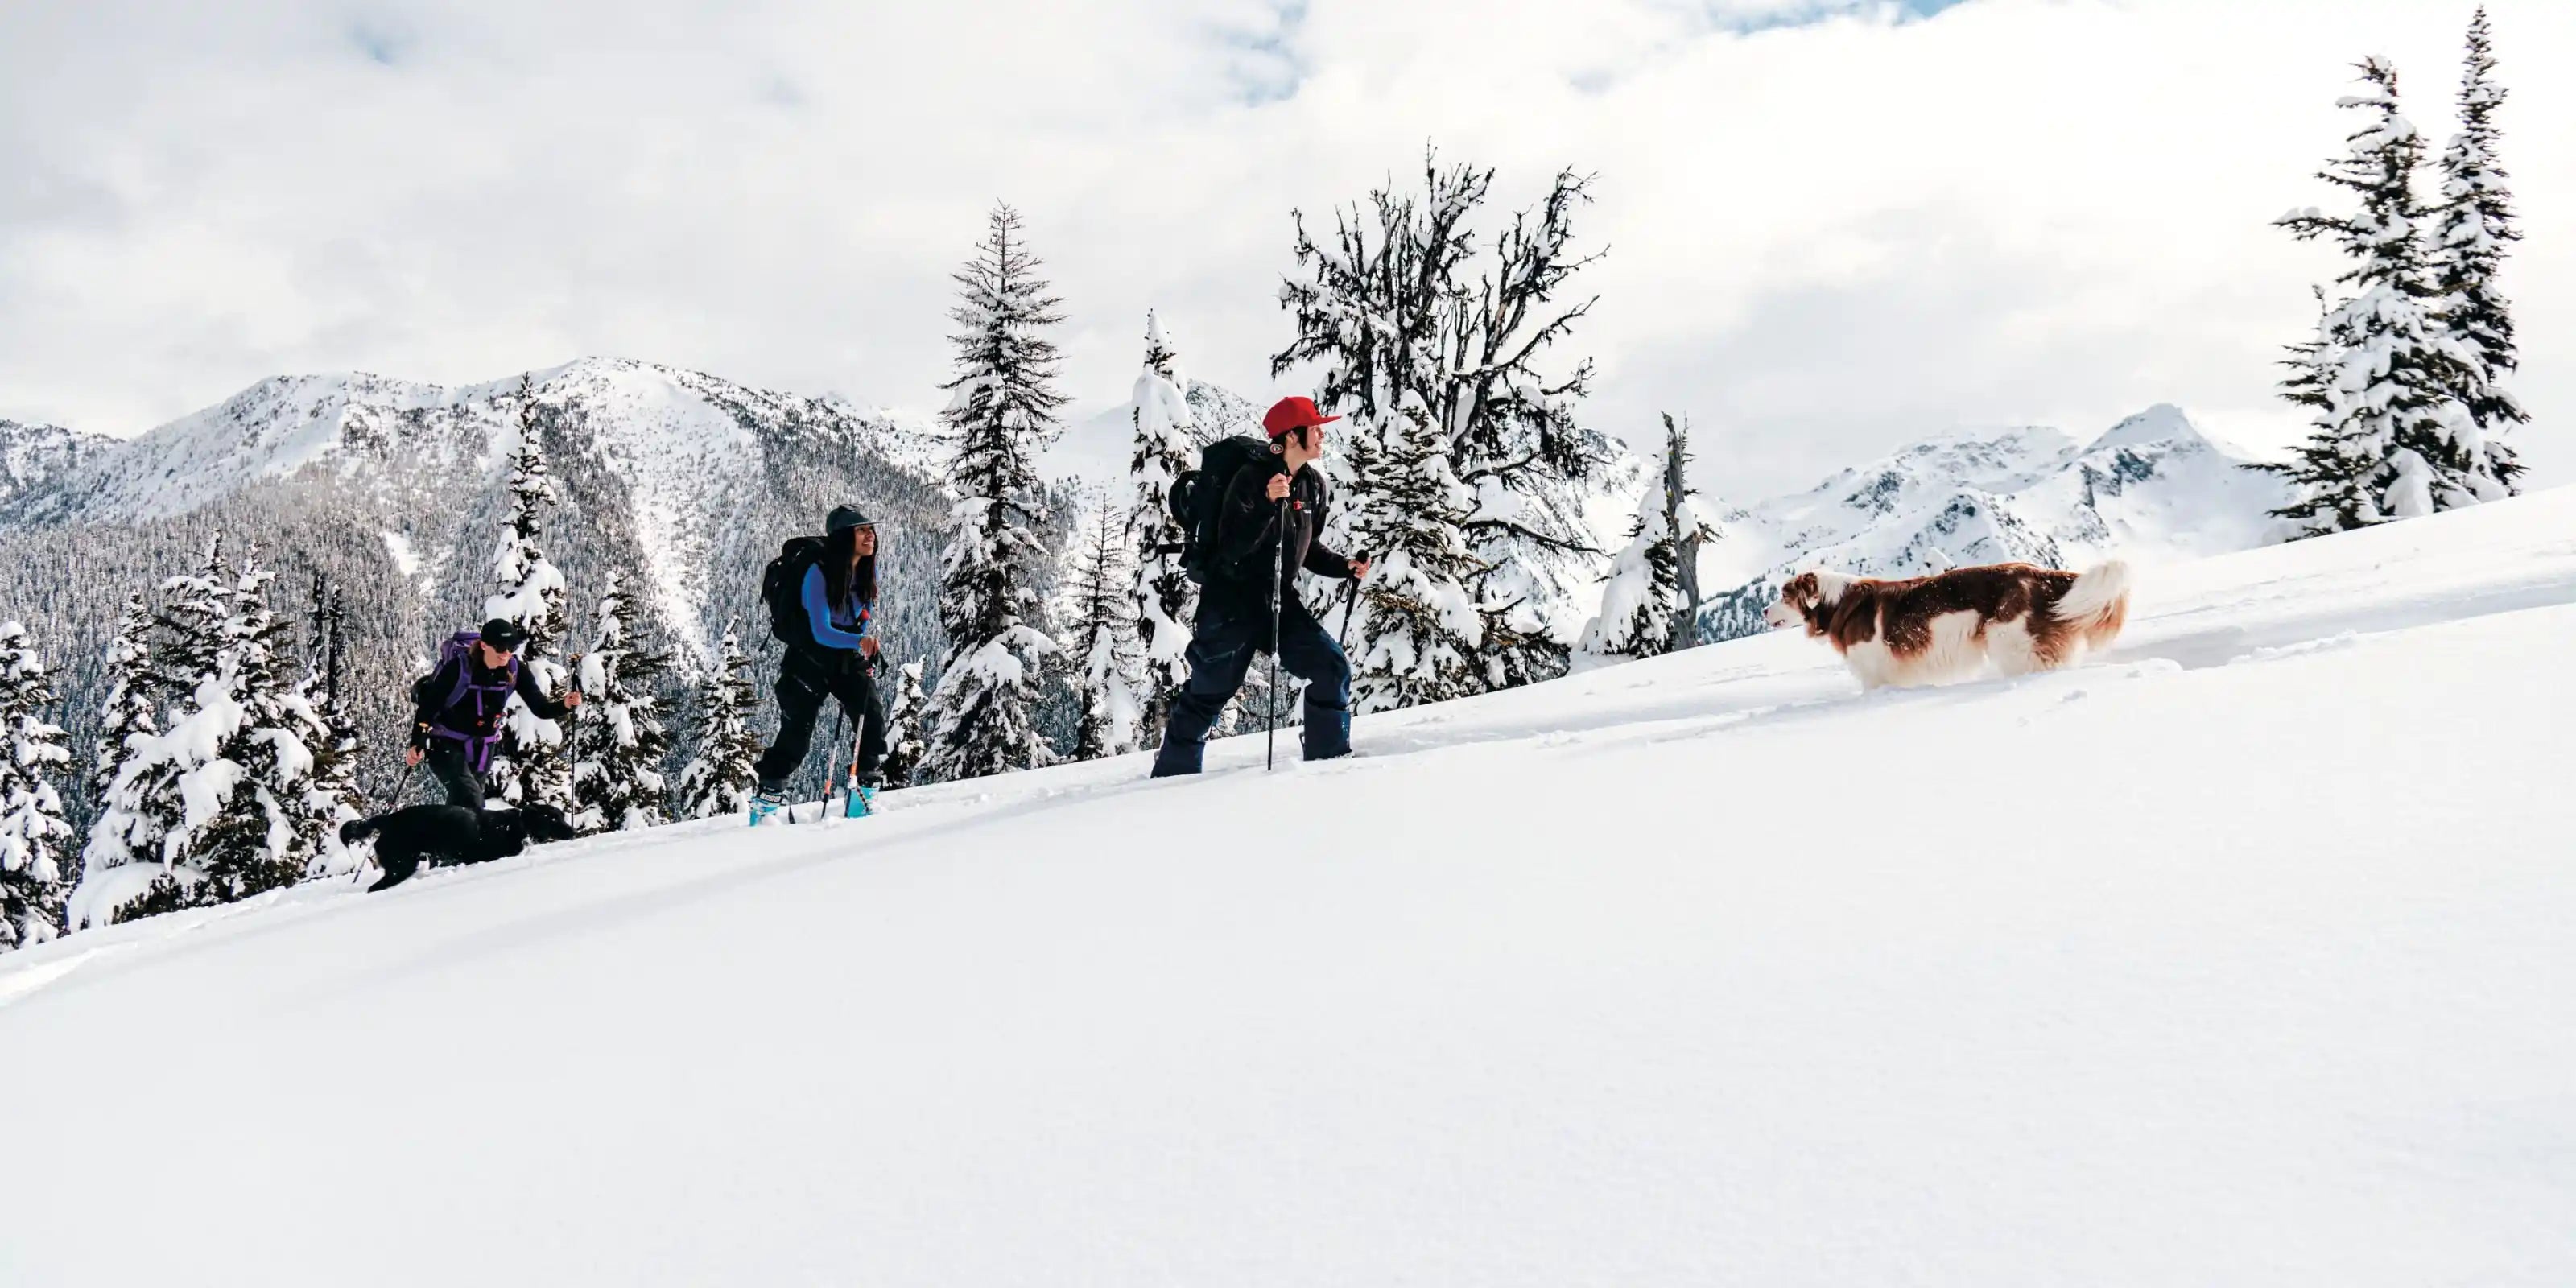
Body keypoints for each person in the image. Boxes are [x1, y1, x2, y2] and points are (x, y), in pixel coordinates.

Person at [1150, 397, 1371, 777]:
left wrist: (1343, 566)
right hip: (1230, 602)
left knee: (1331, 668)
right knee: (1209, 692)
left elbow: (1308, 547)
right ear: (1290, 436)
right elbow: (1230, 549)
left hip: (1278, 601)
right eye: (1315, 427)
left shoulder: (1312, 486)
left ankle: (1330, 768)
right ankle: (1172, 776)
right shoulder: (1251, 479)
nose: (1321, 433)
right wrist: (1268, 504)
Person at [750, 505, 889, 820]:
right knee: (795, 738)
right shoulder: (818, 572)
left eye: (871, 529)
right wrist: (858, 641)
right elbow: (821, 631)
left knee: (872, 719)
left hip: (843, 659)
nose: (871, 536)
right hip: (807, 662)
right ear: (844, 537)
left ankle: (863, 802)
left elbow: (860, 617)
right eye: (861, 530)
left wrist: (862, 643)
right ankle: (763, 811)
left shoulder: (867, 571)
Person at [405, 617, 582, 809]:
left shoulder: (515, 670)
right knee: (471, 798)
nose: (506, 654)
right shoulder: (458, 669)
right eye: (500, 648)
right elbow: (428, 707)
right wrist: (417, 743)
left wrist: (564, 704)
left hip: (483, 748)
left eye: (511, 648)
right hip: (445, 743)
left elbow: (540, 708)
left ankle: (446, 838)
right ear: (484, 645)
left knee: (463, 806)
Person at [341, 801, 578, 893]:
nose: (563, 828)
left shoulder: (509, 826)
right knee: (399, 874)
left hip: (409, 827)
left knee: (403, 872)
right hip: (405, 832)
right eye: (555, 823)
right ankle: (367, 901)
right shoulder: (507, 837)